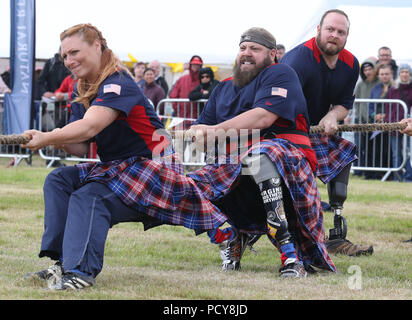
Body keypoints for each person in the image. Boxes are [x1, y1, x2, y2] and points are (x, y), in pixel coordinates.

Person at [22, 23, 227, 291]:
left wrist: (48, 136)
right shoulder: (80, 89)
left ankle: (80, 272)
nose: (68, 61)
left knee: (91, 196)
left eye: (74, 52)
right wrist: (54, 142)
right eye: (64, 57)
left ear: (97, 46)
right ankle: (62, 263)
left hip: (155, 166)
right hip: (119, 168)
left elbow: (91, 126)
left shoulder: (118, 82)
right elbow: (81, 147)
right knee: (58, 180)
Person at [190, 27, 336, 278]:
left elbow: (263, 117)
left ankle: (289, 254)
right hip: (236, 162)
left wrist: (213, 130)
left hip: (287, 157)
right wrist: (199, 135)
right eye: (243, 48)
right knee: (191, 183)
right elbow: (203, 138)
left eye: (254, 49)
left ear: (272, 54)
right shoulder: (222, 87)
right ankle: (231, 236)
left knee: (260, 155)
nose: (246, 53)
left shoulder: (280, 74)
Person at [280, 9, 373, 256]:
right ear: (319, 30)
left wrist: (332, 116)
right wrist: (298, 132)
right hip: (286, 131)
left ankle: (336, 234)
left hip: (315, 131)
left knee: (345, 153)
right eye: (330, 29)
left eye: (340, 32)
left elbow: (344, 103)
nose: (334, 35)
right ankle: (297, 238)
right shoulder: (297, 60)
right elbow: (280, 103)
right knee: (299, 186)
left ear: (347, 36)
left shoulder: (351, 63)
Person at [364, 63, 393, 180]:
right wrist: (374, 115)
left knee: (388, 151)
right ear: (379, 76)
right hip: (376, 125)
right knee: (375, 150)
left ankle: (388, 174)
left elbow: (397, 106)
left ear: (391, 75)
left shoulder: (395, 88)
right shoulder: (375, 88)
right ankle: (374, 174)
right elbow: (370, 105)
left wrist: (387, 115)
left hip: (390, 124)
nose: (384, 76)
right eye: (382, 74)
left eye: (386, 74)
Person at [385, 64, 412, 182]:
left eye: (407, 72)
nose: (404, 74)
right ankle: (397, 177)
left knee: (408, 152)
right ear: (399, 74)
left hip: (409, 125)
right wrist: (389, 123)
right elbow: (388, 107)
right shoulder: (393, 89)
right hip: (395, 125)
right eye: (402, 72)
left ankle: (408, 177)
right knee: (396, 154)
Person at [352, 58, 379, 176]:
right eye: (365, 69)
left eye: (370, 69)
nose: (367, 71)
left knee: (371, 148)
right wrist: (357, 116)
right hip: (361, 120)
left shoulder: (379, 84)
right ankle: (358, 170)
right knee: (359, 146)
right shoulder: (360, 84)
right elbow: (356, 101)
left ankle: (370, 171)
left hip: (374, 121)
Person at [169, 55, 203, 121]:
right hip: (182, 116)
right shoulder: (182, 79)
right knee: (180, 131)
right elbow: (173, 95)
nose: (195, 66)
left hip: (198, 118)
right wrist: (178, 110)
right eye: (194, 64)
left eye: (197, 64)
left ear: (200, 66)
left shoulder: (204, 80)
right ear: (190, 65)